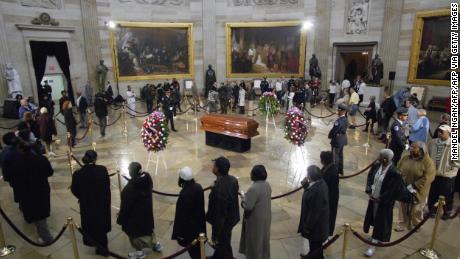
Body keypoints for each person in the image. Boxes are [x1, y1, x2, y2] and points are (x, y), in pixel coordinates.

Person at [5, 140, 54, 244]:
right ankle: (44, 232)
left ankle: (47, 238)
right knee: (41, 211)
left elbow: (13, 181)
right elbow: (50, 172)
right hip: (42, 189)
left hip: (27, 193)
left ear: (20, 150)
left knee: (37, 215)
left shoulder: (16, 164)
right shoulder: (41, 159)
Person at [117, 162, 161, 259]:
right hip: (146, 213)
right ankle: (155, 245)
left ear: (132, 173)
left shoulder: (129, 189)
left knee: (135, 236)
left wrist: (120, 219)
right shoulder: (147, 178)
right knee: (148, 231)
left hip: (134, 218)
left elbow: (125, 207)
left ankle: (139, 252)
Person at [71, 150, 111, 256]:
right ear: (95, 159)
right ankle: (103, 247)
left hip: (87, 204)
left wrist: (82, 197)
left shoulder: (78, 174)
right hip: (101, 203)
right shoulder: (102, 170)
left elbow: (74, 190)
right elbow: (107, 186)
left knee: (91, 224)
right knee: (101, 224)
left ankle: (96, 244)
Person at [363, 149, 402, 257]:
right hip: (373, 198)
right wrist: (369, 188)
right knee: (374, 218)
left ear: (385, 159)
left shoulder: (394, 172)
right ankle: (376, 237)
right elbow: (370, 177)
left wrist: (380, 198)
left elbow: (391, 189)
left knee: (381, 221)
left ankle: (373, 244)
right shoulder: (377, 165)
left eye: (380, 156)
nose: (378, 157)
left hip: (384, 202)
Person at [395, 141, 435, 231]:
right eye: (411, 147)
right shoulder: (406, 158)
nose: (411, 149)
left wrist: (414, 185)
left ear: (421, 150)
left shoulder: (428, 162)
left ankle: (416, 225)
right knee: (403, 207)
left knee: (416, 210)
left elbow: (429, 177)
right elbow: (398, 168)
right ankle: (402, 224)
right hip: (404, 188)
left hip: (419, 190)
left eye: (414, 148)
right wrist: (399, 181)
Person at [206, 156, 240, 259]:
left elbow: (220, 215)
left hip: (223, 223)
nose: (213, 167)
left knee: (222, 242)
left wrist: (215, 234)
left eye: (214, 165)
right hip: (232, 218)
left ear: (217, 169)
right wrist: (216, 184)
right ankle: (217, 257)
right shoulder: (233, 180)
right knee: (224, 242)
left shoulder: (219, 191)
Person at [172, 167, 206, 259]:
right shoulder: (198, 187)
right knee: (198, 250)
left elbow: (180, 217)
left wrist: (179, 234)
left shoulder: (184, 195)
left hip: (190, 231)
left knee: (194, 252)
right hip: (199, 226)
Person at [239, 165, 272, 259]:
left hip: (255, 221)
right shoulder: (267, 185)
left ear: (254, 175)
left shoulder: (253, 188)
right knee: (263, 240)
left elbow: (248, 206)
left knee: (254, 242)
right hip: (265, 217)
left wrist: (243, 198)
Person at [427, 125, 458, 220]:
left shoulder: (454, 145)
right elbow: (427, 155)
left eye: (442, 132)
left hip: (447, 176)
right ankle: (432, 210)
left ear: (448, 133)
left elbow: (456, 162)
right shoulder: (432, 142)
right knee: (433, 193)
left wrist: (449, 170)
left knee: (446, 195)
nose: (439, 133)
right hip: (434, 174)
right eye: (439, 131)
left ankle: (446, 212)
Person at [298, 165, 329, 259]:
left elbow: (314, 213)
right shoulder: (320, 183)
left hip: (316, 228)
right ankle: (310, 255)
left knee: (317, 251)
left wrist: (307, 227)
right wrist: (305, 184)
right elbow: (309, 195)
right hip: (316, 227)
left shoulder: (317, 191)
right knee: (314, 247)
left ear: (311, 176)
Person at [320, 151, 339, 236]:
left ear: (324, 161)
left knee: (329, 217)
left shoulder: (333, 171)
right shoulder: (325, 167)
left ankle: (327, 234)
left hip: (330, 198)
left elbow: (333, 189)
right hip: (324, 196)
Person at [328, 104, 349, 175]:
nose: (337, 111)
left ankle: (334, 172)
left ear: (342, 111)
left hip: (337, 140)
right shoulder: (345, 119)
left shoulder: (339, 121)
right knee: (340, 155)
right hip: (342, 139)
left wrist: (330, 135)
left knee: (335, 157)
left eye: (338, 110)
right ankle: (340, 170)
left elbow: (335, 130)